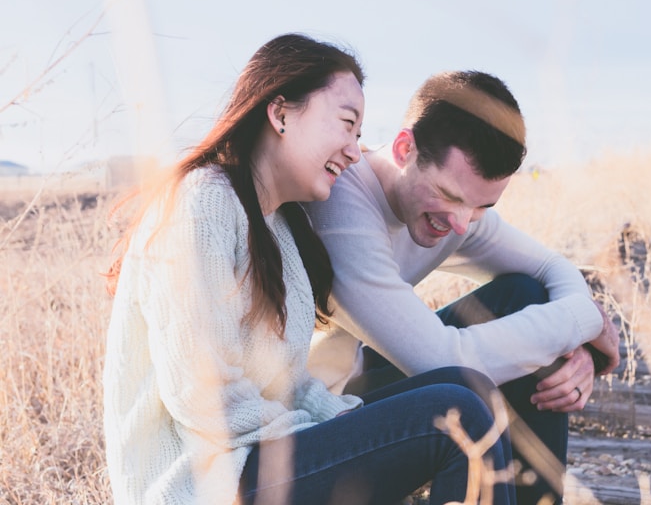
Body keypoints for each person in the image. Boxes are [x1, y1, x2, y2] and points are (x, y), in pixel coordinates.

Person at [102, 34, 516, 505]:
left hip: (258, 460)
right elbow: (202, 396)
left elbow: (285, 382)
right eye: (345, 125)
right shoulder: (202, 203)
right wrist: (321, 433)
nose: (355, 151)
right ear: (280, 113)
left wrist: (339, 421)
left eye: (360, 135)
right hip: (206, 483)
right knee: (455, 412)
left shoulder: (277, 227)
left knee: (467, 385)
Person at [304, 70, 621, 505]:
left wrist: (577, 344)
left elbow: (551, 267)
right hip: (309, 426)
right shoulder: (341, 204)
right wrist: (582, 321)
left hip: (353, 385)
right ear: (404, 149)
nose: (460, 223)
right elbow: (442, 359)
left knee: (525, 295)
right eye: (449, 195)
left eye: (482, 205)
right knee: (472, 388)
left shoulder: (460, 212)